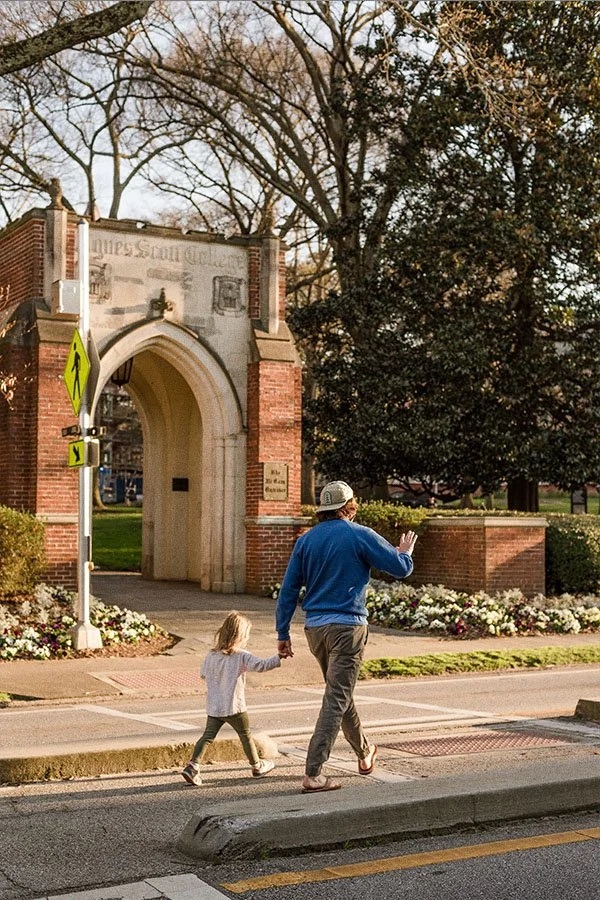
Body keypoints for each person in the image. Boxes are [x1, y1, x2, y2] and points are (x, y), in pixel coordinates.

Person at [276, 480, 417, 793]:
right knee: (337, 697)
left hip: (315, 630)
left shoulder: (306, 540)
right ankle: (313, 773)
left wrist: (282, 632)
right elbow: (399, 569)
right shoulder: (359, 534)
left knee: (340, 694)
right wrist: (404, 553)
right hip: (347, 629)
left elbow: (288, 590)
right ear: (348, 506)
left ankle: (364, 751)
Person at [182, 610, 282, 786]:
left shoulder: (211, 655)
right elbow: (262, 665)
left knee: (207, 736)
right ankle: (257, 766)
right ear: (240, 636)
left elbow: (203, 674)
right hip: (235, 706)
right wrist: (279, 657)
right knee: (245, 735)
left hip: (215, 706)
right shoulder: (242, 656)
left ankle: (193, 766)